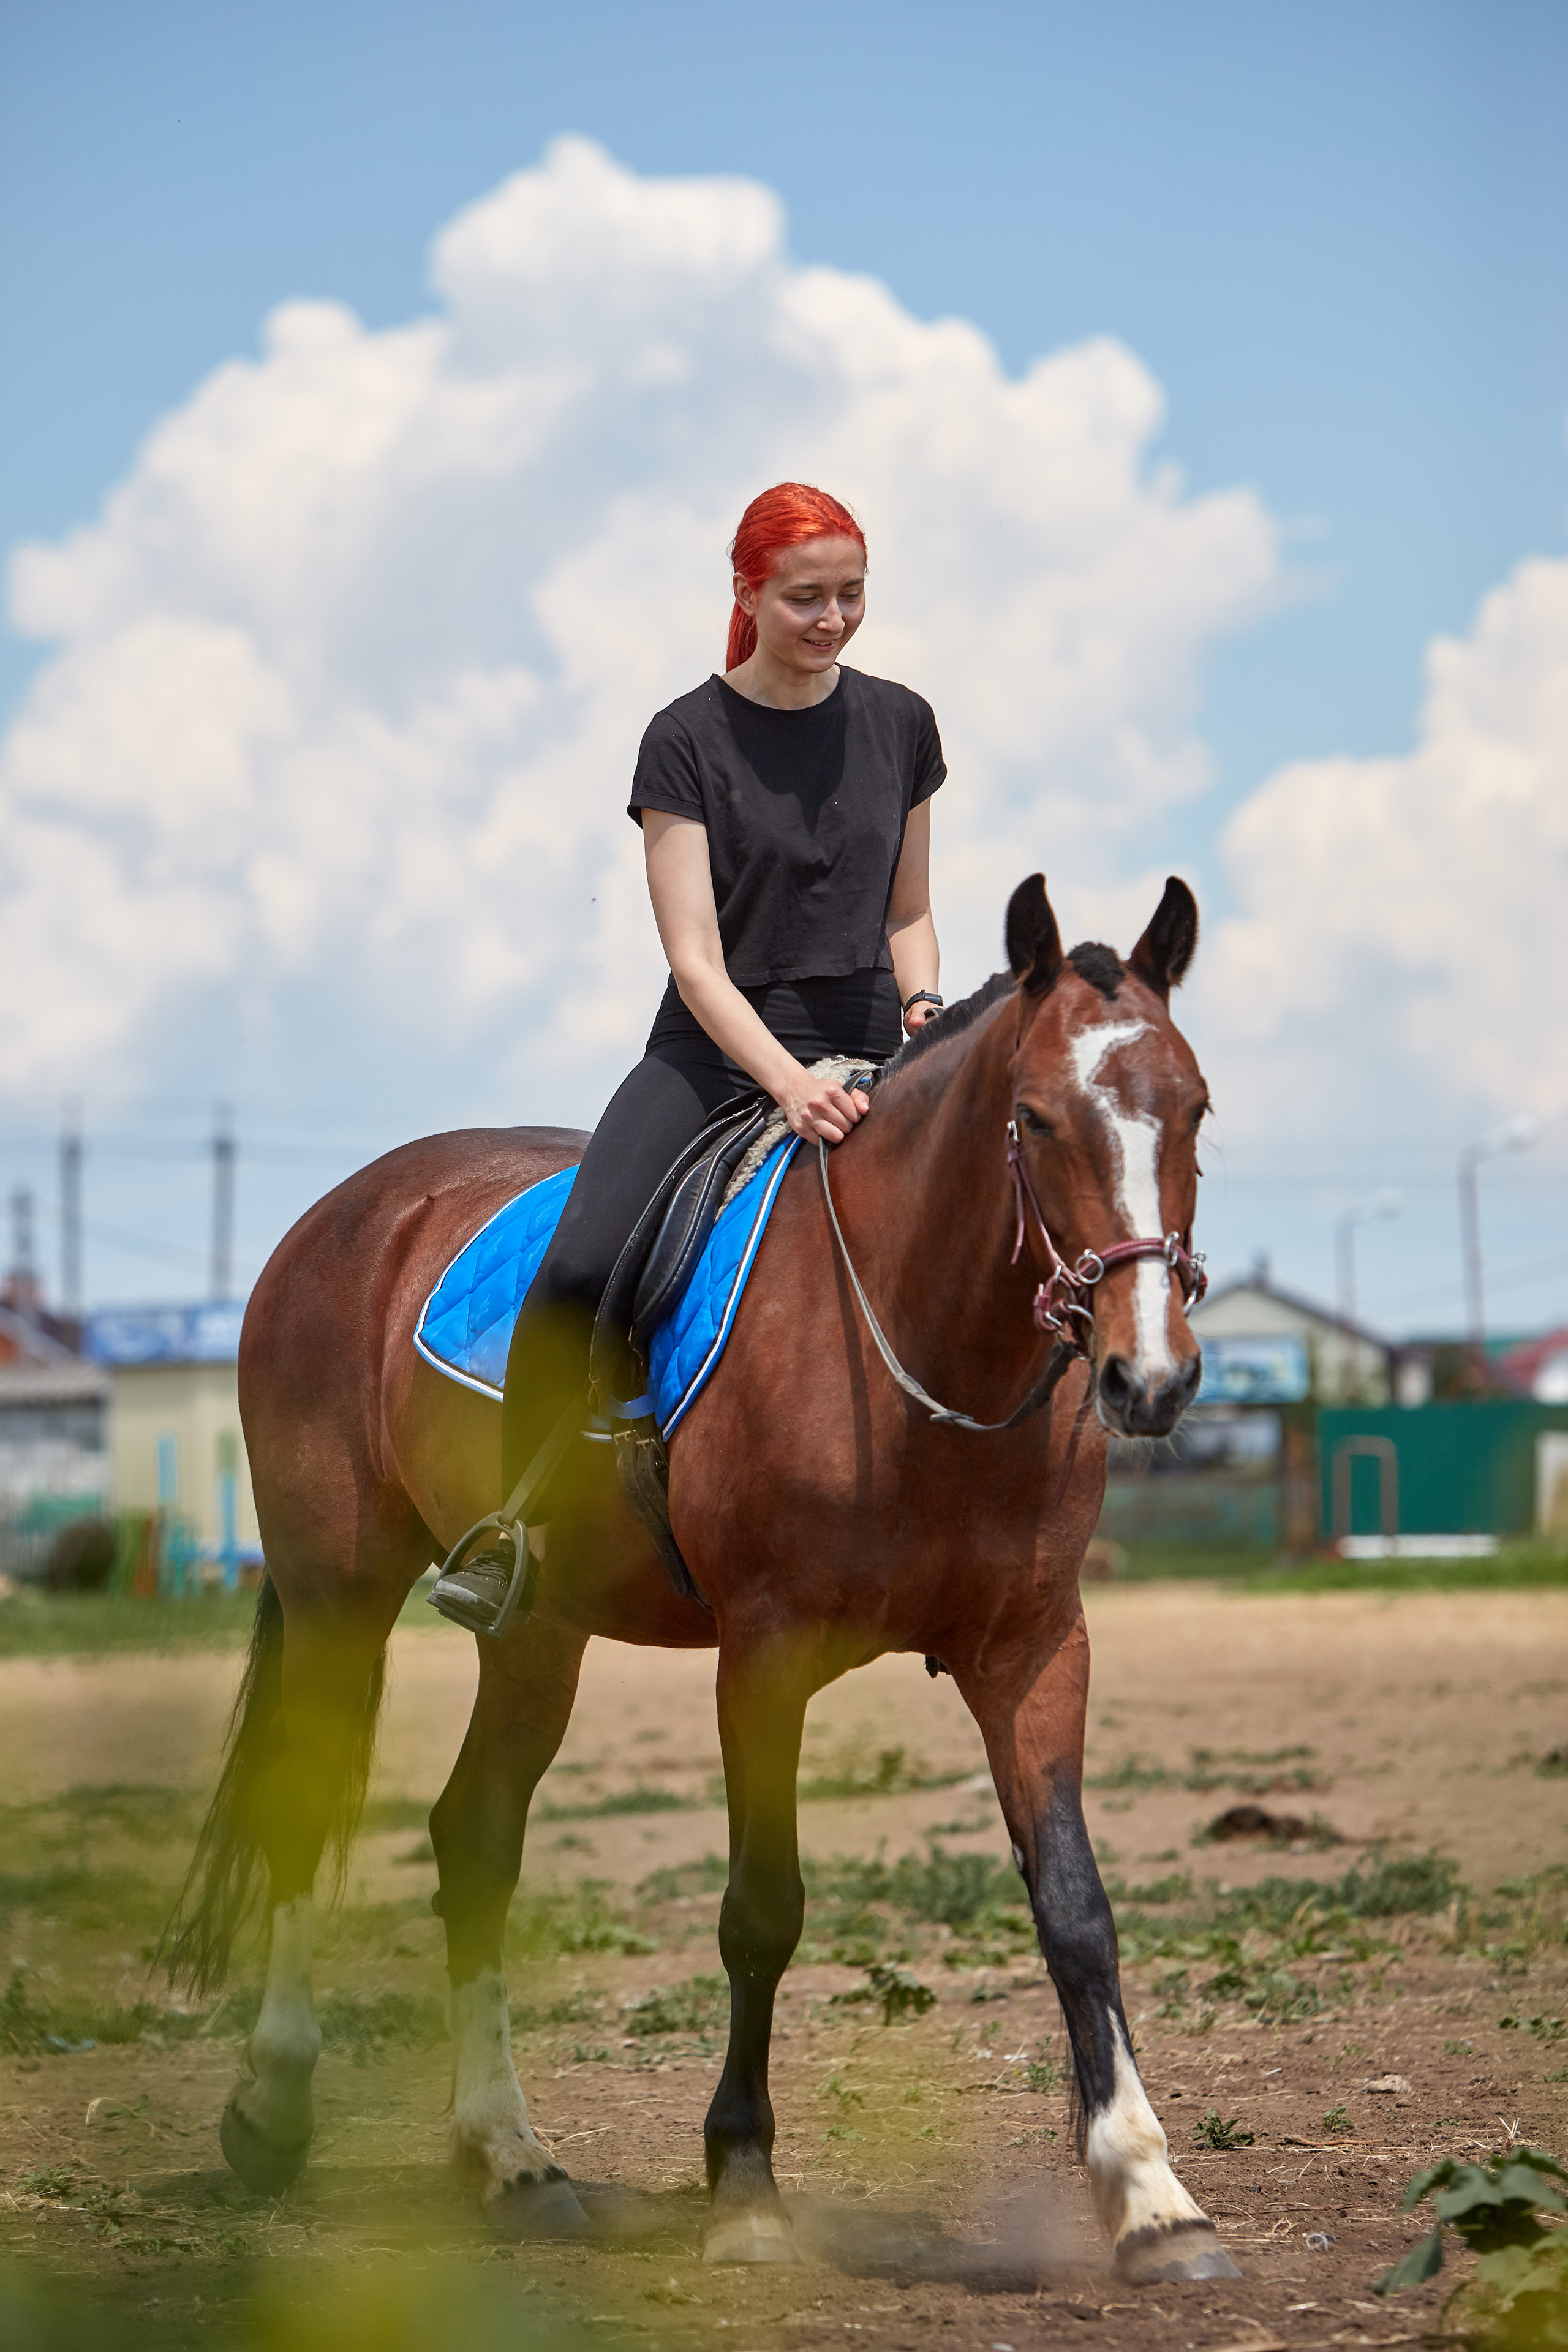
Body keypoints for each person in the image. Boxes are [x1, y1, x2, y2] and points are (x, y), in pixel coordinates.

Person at [432, 482, 946, 1630]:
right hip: (719, 1051)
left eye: (851, 594)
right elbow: (696, 960)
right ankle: (517, 1533)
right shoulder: (685, 739)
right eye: (806, 597)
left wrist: (923, 1005)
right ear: (748, 594)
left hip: (873, 1037)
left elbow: (908, 910)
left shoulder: (903, 722)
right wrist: (788, 1081)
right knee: (577, 1267)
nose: (833, 619)